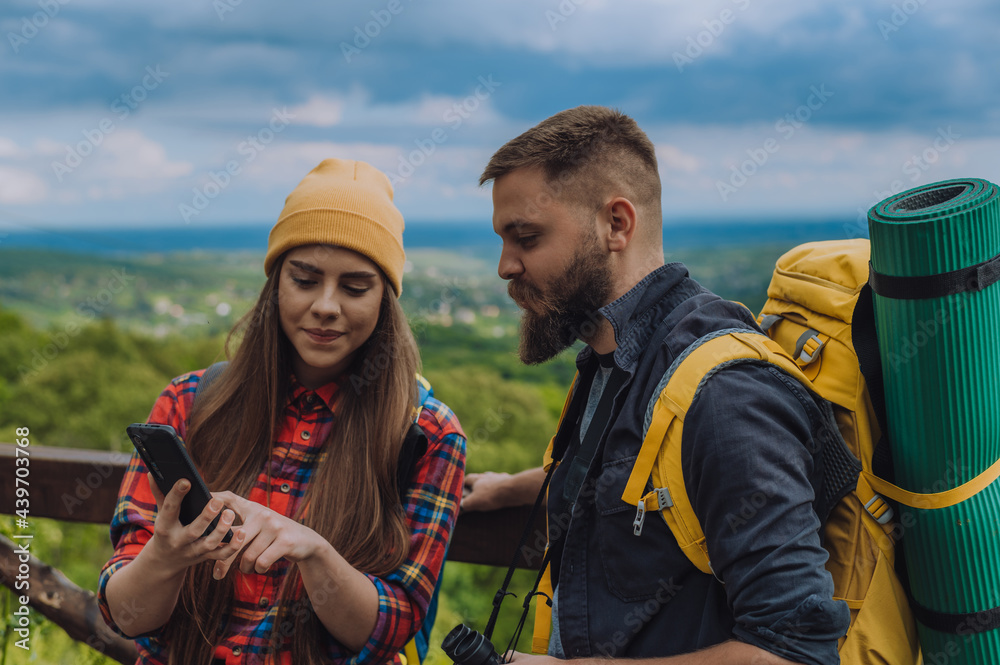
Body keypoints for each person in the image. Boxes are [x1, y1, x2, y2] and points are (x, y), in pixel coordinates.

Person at [467, 106, 850, 664]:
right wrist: (512, 489)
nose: (505, 265)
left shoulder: (727, 396)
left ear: (616, 224)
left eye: (525, 237)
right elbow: (632, 474)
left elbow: (796, 652)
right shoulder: (616, 356)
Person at [98, 158, 467, 665]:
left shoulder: (426, 435)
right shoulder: (188, 403)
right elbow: (127, 615)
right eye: (305, 279)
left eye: (356, 287)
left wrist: (313, 552)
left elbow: (391, 629)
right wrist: (165, 556)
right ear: (276, 284)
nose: (327, 306)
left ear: (386, 300)